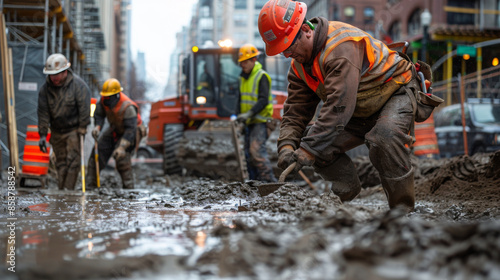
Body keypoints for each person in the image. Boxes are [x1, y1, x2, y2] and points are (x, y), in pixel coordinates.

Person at [258, 0, 442, 211]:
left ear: (307, 30)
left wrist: (308, 150)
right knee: (313, 140)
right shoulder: (299, 67)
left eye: (289, 45)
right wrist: (287, 146)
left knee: (384, 137)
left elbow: (339, 106)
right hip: (358, 107)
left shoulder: (339, 47)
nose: (287, 54)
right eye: (282, 50)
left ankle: (403, 212)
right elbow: (295, 111)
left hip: (394, 91)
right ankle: (346, 188)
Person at [37, 53, 90, 190]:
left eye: (56, 75)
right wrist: (42, 135)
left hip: (74, 129)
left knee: (73, 161)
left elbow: (84, 108)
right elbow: (43, 113)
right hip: (57, 131)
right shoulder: (45, 90)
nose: (53, 78)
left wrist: (83, 127)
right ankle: (62, 191)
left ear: (65, 71)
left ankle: (68, 191)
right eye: (51, 75)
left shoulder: (79, 86)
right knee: (61, 163)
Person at [87, 78, 146, 189]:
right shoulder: (103, 100)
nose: (107, 100)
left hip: (131, 131)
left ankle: (129, 189)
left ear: (117, 95)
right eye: (106, 96)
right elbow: (99, 115)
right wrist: (97, 127)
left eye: (109, 97)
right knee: (98, 151)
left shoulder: (128, 107)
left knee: (121, 158)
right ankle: (91, 185)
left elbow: (130, 130)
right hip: (115, 128)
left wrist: (121, 147)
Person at [236, 43, 277, 182]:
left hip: (261, 121)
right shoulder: (242, 78)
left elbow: (263, 100)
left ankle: (269, 183)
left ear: (254, 60)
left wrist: (249, 114)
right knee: (247, 154)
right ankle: (254, 183)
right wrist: (240, 118)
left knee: (256, 152)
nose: (243, 65)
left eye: (245, 62)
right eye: (241, 63)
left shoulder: (262, 76)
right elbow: (241, 100)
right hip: (250, 122)